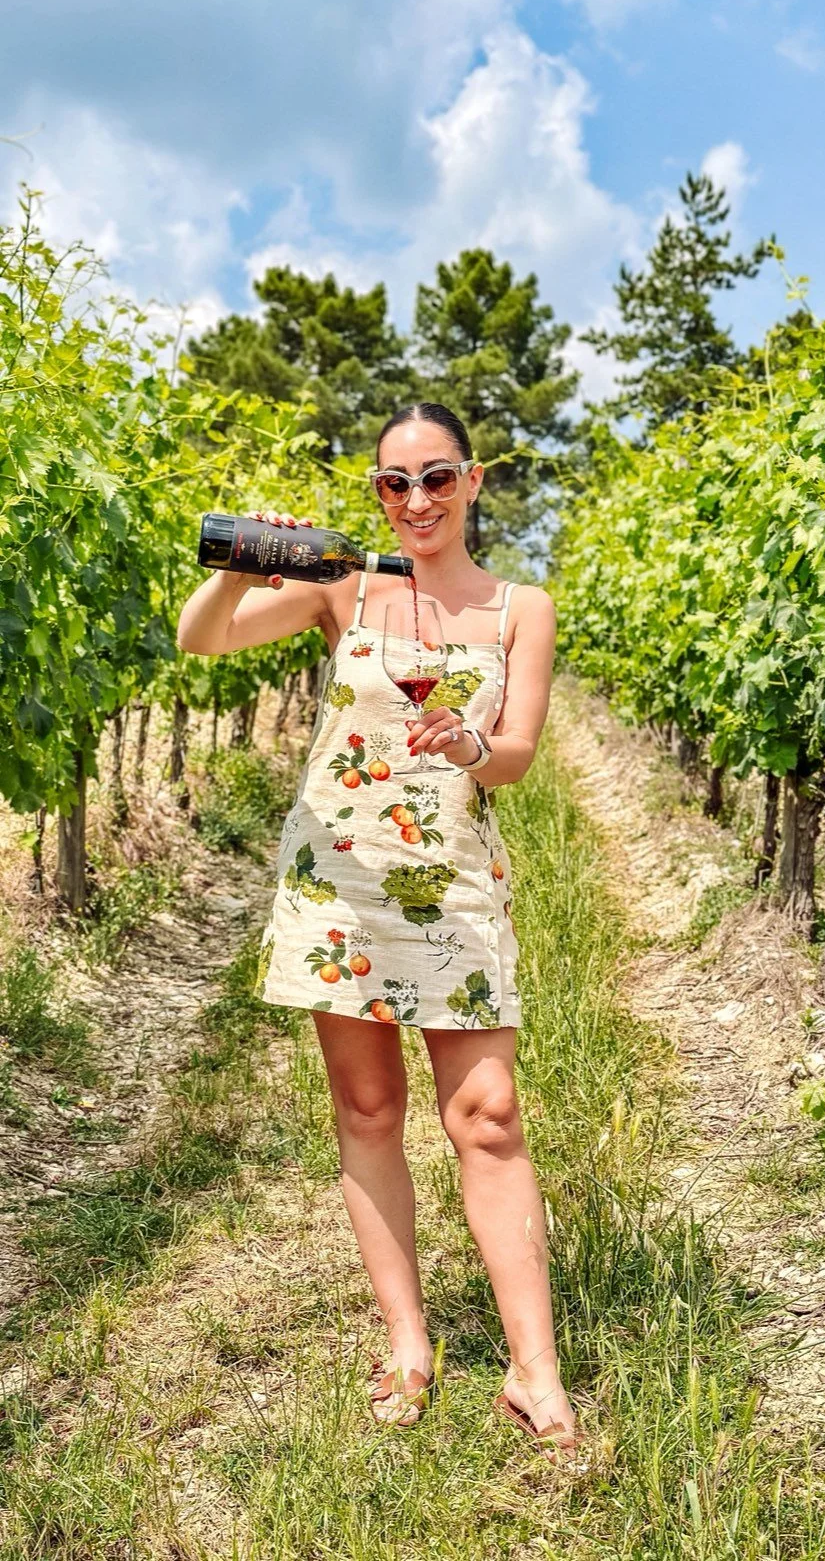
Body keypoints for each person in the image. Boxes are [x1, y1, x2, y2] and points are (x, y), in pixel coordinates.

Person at [177, 402, 583, 1465]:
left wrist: (470, 748)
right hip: (340, 886)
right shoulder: (342, 586)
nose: (416, 501)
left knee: (488, 1116)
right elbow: (202, 637)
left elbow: (517, 754)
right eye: (394, 484)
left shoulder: (519, 608)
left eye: (436, 477)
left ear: (473, 481)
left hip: (451, 885)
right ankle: (408, 1345)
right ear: (376, 494)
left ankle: (533, 1369)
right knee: (368, 1108)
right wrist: (241, 567)